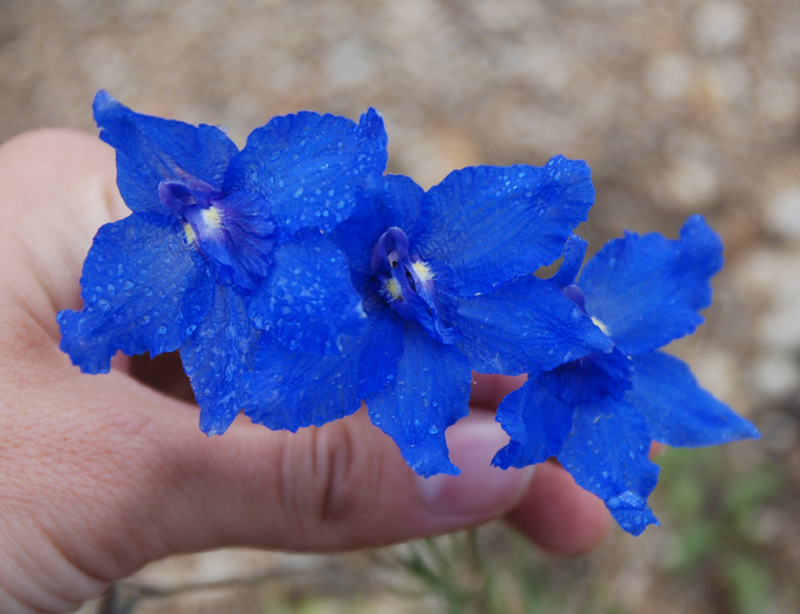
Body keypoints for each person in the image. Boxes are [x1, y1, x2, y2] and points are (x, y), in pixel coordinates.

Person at [0, 129, 610, 614]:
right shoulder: (200, 267)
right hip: (306, 304)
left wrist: (564, 336)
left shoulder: (305, 219)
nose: (404, 282)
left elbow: (356, 173)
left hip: (382, 301)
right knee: (267, 373)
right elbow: (280, 370)